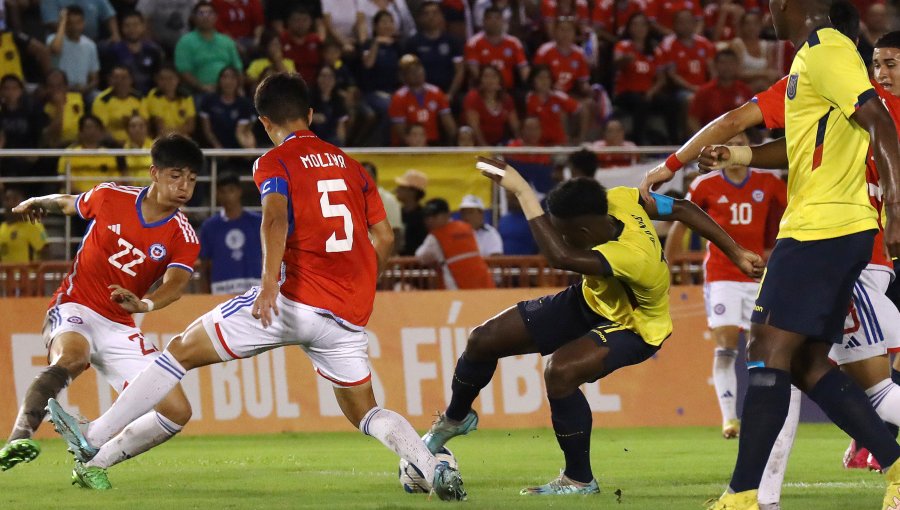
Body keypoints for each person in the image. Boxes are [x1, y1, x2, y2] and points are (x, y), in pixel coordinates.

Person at [46, 73, 467, 501]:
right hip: (346, 315)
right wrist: (359, 284)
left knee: (179, 352)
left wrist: (268, 285)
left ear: (265, 122)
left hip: (290, 300)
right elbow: (386, 238)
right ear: (310, 114)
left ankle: (95, 435)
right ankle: (432, 470)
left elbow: (274, 218)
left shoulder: (273, 162)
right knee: (366, 411)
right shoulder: (352, 167)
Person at [422, 156, 763, 494]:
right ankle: (456, 418)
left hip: (636, 325)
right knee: (483, 340)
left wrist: (524, 192)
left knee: (561, 371)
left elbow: (560, 257)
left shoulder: (633, 256)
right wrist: (734, 250)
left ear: (582, 231)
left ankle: (579, 479)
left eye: (562, 231)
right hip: (592, 299)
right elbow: (682, 209)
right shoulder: (620, 198)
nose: (558, 235)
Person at [698, 2, 900, 506]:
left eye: (891, 64)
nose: (880, 72)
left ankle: (750, 494)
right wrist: (736, 154)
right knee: (806, 364)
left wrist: (894, 211)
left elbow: (879, 139)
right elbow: (792, 144)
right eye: (877, 63)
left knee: (777, 358)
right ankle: (763, 492)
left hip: (844, 245)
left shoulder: (855, 87)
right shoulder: (840, 91)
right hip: (855, 246)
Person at [0, 135, 203, 490]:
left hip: (120, 324)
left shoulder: (184, 235)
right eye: (176, 176)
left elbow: (175, 284)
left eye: (191, 179)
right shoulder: (111, 196)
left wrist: (145, 304)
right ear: (154, 173)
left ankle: (94, 459)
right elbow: (68, 204)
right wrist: (37, 201)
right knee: (73, 358)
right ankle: (19, 436)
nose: (184, 186)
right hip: (75, 305)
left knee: (178, 410)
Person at [198, 172, 262, 294]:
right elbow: (204, 265)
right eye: (222, 191)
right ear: (216, 194)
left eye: (231, 190)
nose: (227, 196)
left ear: (239, 191)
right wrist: (204, 294)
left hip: (255, 291)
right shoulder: (209, 226)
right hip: (220, 291)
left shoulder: (258, 222)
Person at [415, 198, 495, 289]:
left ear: (447, 215)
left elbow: (421, 256)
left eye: (435, 216)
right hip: (482, 283)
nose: (430, 220)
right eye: (427, 217)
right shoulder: (466, 227)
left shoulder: (435, 237)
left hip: (458, 286)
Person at [174, 1, 243, 94]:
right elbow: (184, 71)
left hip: (229, 91)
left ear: (216, 17)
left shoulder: (227, 41)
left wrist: (238, 87)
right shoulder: (185, 42)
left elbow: (237, 68)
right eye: (201, 13)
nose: (206, 17)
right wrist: (201, 86)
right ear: (194, 18)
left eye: (210, 13)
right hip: (200, 91)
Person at [389, 54, 455, 146]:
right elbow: (400, 132)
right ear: (403, 76)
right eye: (411, 71)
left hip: (432, 143)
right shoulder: (398, 97)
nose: (417, 73)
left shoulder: (436, 92)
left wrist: (455, 143)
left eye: (419, 68)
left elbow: (449, 124)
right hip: (408, 146)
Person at [405, 1, 465, 102]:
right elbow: (408, 72)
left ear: (442, 17)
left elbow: (459, 71)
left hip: (448, 93)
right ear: (419, 18)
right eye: (426, 14)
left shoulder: (453, 42)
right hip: (421, 94)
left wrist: (450, 94)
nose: (431, 17)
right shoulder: (412, 43)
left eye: (435, 13)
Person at [687, 49, 754, 134]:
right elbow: (693, 120)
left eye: (731, 63)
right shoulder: (704, 92)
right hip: (712, 140)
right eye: (723, 63)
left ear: (737, 65)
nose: (727, 67)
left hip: (740, 140)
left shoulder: (745, 90)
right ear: (715, 65)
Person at [464, 6, 529, 92]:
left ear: (503, 21)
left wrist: (529, 85)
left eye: (497, 18)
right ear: (483, 21)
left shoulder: (514, 43)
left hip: (508, 90)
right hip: (483, 91)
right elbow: (475, 73)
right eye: (489, 18)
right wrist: (492, 86)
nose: (494, 21)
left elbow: (524, 70)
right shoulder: (473, 43)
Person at [101, 10, 163, 94]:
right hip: (124, 97)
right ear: (121, 28)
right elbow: (110, 80)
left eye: (135, 25)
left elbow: (158, 76)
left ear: (143, 26)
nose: (132, 29)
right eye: (127, 26)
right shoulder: (113, 51)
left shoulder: (153, 50)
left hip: (150, 97)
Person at [57, 115, 120, 194]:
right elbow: (65, 180)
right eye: (89, 127)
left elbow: (115, 180)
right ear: (81, 131)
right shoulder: (69, 153)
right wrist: (85, 197)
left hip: (102, 199)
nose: (92, 131)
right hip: (76, 198)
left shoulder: (108, 154)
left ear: (101, 131)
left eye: (95, 127)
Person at [47, 6, 100, 95]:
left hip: (84, 91)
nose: (74, 27)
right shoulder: (53, 39)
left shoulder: (90, 45)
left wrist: (85, 89)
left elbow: (95, 78)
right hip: (61, 90)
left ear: (83, 23)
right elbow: (56, 49)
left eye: (78, 22)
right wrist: (62, 21)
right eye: (70, 23)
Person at [198, 66, 255, 149]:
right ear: (219, 80)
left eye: (232, 78)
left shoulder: (244, 104)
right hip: (213, 149)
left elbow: (242, 132)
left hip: (237, 150)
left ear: (238, 81)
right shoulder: (209, 100)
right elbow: (207, 130)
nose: (228, 81)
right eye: (224, 77)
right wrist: (217, 147)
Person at [91, 65, 149, 145]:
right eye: (116, 77)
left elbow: (144, 123)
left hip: (137, 143)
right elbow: (101, 129)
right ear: (110, 80)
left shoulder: (139, 98)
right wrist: (118, 143)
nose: (120, 81)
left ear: (131, 80)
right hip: (112, 144)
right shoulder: (102, 100)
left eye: (124, 78)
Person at [463, 65, 519, 146]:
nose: (490, 80)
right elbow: (475, 127)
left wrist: (522, 145)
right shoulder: (473, 97)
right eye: (486, 76)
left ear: (500, 80)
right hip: (476, 144)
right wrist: (486, 149)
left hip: (499, 142)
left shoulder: (506, 99)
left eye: (493, 76)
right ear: (480, 80)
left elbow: (515, 127)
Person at [363, 161, 404, 254]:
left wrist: (387, 261)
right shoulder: (351, 199)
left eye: (368, 176)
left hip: (384, 259)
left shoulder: (388, 199)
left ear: (375, 178)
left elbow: (395, 233)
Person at [145, 65, 196, 138]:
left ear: (178, 79)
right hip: (162, 138)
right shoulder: (154, 95)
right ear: (157, 80)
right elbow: (160, 128)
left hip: (183, 138)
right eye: (162, 79)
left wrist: (174, 132)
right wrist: (181, 130)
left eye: (170, 78)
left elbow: (191, 126)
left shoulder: (186, 96)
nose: (167, 82)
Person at [0, 187, 47, 264]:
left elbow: (45, 253)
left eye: (15, 199)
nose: (10, 203)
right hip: (7, 275)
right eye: (7, 199)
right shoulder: (2, 228)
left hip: (28, 275)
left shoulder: (33, 225)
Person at [41, 69, 86, 147]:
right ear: (46, 88)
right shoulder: (43, 108)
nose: (55, 90)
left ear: (66, 86)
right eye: (51, 86)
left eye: (59, 86)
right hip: (59, 148)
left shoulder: (78, 98)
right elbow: (53, 137)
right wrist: (59, 106)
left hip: (81, 144)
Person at [42, 0, 119, 42]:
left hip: (93, 41)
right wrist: (74, 33)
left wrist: (115, 34)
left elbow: (109, 15)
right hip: (63, 42)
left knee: (117, 47)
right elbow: (51, 22)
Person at [280, 7, 322, 85]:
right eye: (297, 20)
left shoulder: (316, 40)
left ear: (310, 22)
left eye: (305, 20)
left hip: (314, 86)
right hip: (289, 85)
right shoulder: (281, 39)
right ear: (289, 21)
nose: (301, 24)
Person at [395, 169, 428, 256]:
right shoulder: (397, 213)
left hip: (419, 267)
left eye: (401, 187)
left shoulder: (424, 217)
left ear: (412, 191)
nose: (396, 190)